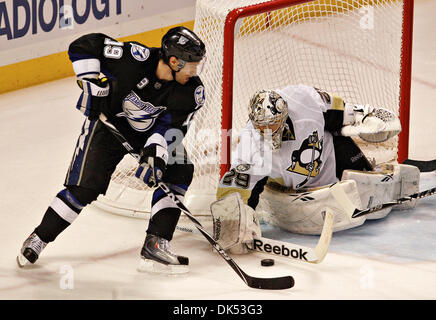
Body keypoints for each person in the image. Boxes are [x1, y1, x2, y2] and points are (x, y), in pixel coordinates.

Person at [17, 26, 206, 274]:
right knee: (84, 189)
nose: (195, 71)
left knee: (180, 170)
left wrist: (157, 154)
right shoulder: (134, 59)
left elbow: (173, 130)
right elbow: (84, 45)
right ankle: (39, 237)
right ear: (173, 61)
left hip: (148, 136)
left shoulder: (192, 92)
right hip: (107, 127)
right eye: (192, 64)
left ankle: (156, 243)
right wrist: (91, 81)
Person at [211, 85, 418, 252]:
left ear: (283, 116)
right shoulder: (250, 144)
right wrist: (232, 222)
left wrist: (364, 115)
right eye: (260, 126)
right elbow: (235, 185)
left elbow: (341, 112)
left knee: (369, 190)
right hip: (293, 188)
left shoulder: (304, 100)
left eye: (272, 124)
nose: (266, 131)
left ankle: (387, 182)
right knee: (251, 188)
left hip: (330, 157)